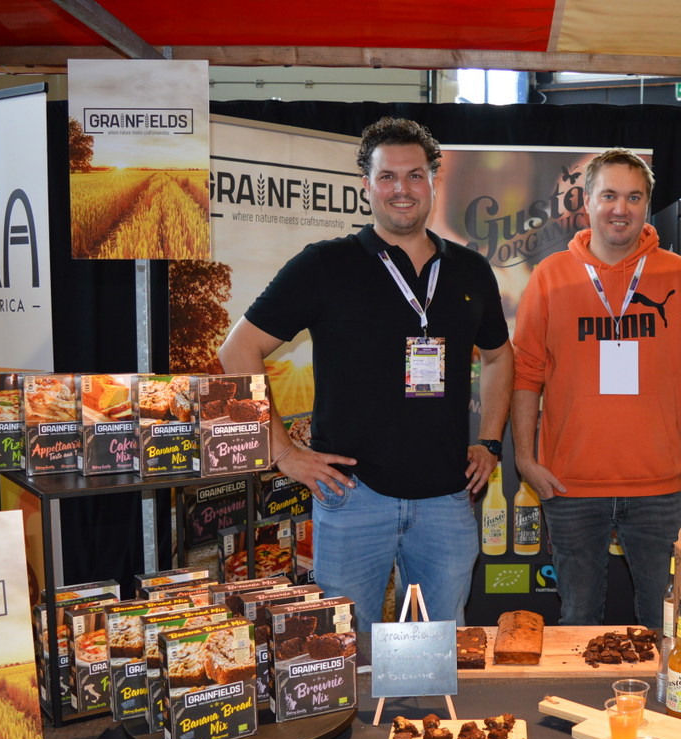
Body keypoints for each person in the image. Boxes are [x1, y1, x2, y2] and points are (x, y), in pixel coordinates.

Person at [219, 117, 513, 631]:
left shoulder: (469, 270)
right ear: (367, 186)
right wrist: (282, 452)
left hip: (446, 500)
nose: (402, 189)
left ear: (433, 181)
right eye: (387, 177)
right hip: (353, 498)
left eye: (415, 175)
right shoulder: (325, 265)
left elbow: (499, 356)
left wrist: (489, 442)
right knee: (345, 651)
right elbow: (238, 350)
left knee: (437, 648)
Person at [511, 148, 681, 630]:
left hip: (658, 487)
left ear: (647, 205)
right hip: (570, 485)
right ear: (586, 201)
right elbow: (526, 375)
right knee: (578, 620)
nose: (620, 208)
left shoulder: (678, 275)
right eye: (608, 196)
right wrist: (524, 459)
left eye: (633, 197)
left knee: (666, 622)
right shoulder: (549, 277)